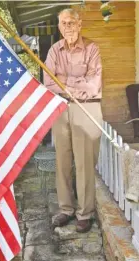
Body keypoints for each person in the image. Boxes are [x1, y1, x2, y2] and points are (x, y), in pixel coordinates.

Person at [43, 8, 103, 233]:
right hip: (59, 109)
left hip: (87, 110)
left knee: (85, 163)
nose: (67, 27)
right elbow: (49, 82)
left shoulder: (92, 49)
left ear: (80, 24)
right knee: (63, 161)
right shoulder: (53, 51)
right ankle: (66, 209)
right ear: (59, 27)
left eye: (71, 23)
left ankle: (85, 213)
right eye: (63, 23)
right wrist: (78, 82)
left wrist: (65, 82)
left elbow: (93, 85)